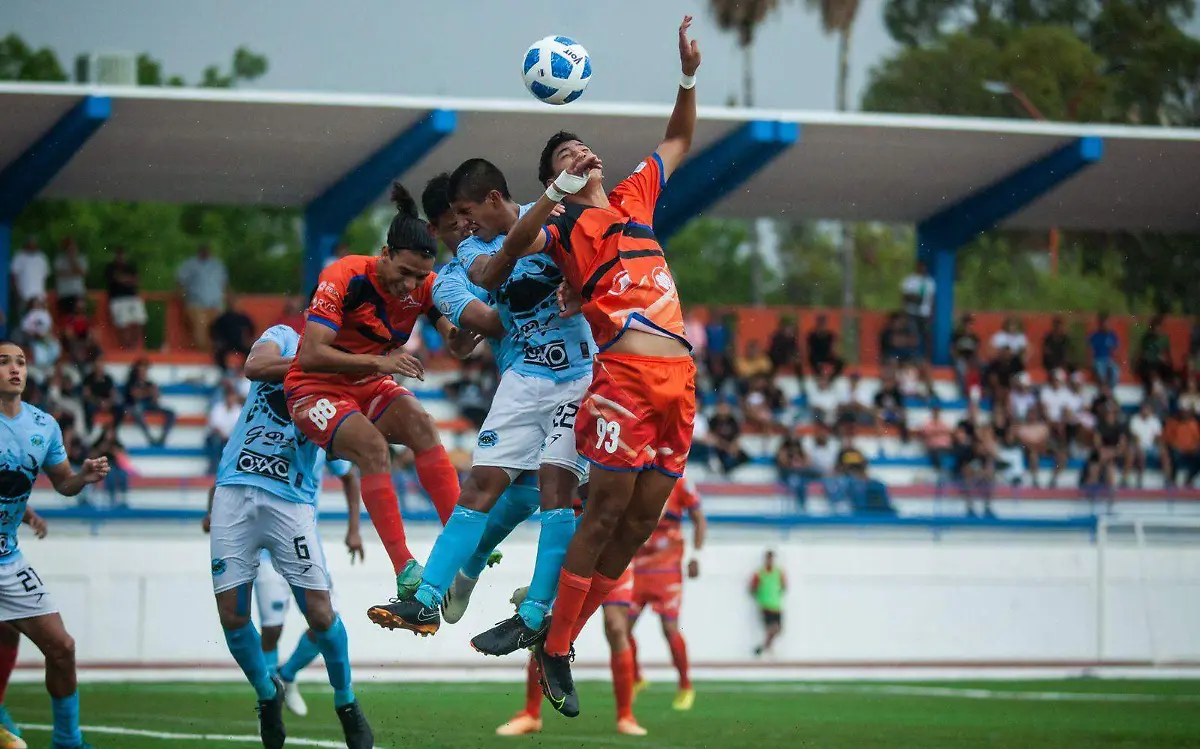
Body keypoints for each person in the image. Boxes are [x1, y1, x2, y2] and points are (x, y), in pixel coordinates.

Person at [469, 16, 700, 718]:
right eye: (566, 152)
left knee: (638, 527)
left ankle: (550, 636)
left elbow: (681, 138)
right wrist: (555, 192)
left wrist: (687, 76)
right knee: (601, 515)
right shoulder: (560, 227)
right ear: (557, 178)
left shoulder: (634, 198)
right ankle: (559, 643)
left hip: (680, 383)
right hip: (624, 380)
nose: (582, 153)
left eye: (582, 146)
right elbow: (506, 249)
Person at [371, 158, 597, 652]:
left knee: (554, 492)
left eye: (467, 215)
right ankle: (430, 597)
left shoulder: (552, 227)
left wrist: (579, 286)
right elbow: (488, 321)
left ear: (491, 201)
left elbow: (597, 265)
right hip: (522, 377)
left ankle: (530, 600)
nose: (464, 228)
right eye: (455, 222)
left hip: (580, 375)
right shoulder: (455, 273)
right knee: (492, 486)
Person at [285, 183, 481, 599]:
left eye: (420, 277)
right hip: (313, 388)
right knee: (375, 449)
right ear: (386, 253)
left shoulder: (426, 287)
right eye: (404, 272)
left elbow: (455, 340)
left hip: (367, 383)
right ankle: (404, 568)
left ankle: (462, 540)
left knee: (424, 426)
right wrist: (380, 362)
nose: (411, 286)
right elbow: (311, 356)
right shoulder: (344, 275)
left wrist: (475, 332)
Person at [205, 323, 372, 749]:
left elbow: (349, 459)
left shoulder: (346, 378)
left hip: (291, 503)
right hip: (235, 489)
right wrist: (313, 365)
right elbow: (253, 365)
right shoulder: (283, 337)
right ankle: (268, 693)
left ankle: (346, 702)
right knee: (233, 617)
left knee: (320, 614)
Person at [0, 340, 110, 749]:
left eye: (21, 362)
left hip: (7, 557)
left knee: (61, 647)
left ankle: (68, 741)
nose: (15, 369)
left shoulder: (43, 425)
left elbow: (62, 482)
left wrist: (82, 476)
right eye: (3, 362)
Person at [628, 475, 705, 711]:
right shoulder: (633, 477)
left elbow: (699, 519)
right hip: (636, 566)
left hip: (667, 567)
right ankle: (636, 678)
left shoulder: (681, 481)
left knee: (669, 627)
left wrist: (696, 556)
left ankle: (685, 686)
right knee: (620, 626)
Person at [176, 245, 228, 351]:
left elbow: (224, 284)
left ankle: (216, 353)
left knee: (217, 329)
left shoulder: (217, 265)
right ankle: (202, 353)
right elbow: (180, 281)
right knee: (200, 327)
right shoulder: (190, 264)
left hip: (215, 303)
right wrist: (182, 298)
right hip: (196, 303)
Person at [124, 358, 177, 447]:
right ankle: (149, 437)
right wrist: (149, 392)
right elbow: (136, 395)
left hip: (149, 405)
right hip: (138, 406)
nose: (144, 371)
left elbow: (155, 398)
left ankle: (163, 438)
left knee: (171, 413)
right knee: (137, 409)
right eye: (142, 368)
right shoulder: (131, 382)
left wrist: (153, 394)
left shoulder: (149, 383)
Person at [104, 247, 147, 350]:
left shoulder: (131, 266)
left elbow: (136, 280)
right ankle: (126, 347)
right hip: (117, 299)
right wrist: (128, 279)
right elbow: (118, 279)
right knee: (123, 323)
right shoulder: (111, 267)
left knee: (140, 320)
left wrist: (124, 279)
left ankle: (134, 345)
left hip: (132, 297)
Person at [750, 550, 786, 657]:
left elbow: (784, 586)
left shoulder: (778, 572)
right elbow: (753, 588)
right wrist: (760, 597)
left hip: (776, 605)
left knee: (778, 629)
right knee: (771, 628)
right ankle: (766, 648)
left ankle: (763, 648)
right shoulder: (760, 573)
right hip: (765, 606)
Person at [210, 297, 257, 373]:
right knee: (218, 353)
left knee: (251, 352)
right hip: (226, 343)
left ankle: (243, 370)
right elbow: (214, 330)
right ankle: (224, 371)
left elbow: (252, 330)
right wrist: (218, 341)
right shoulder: (223, 318)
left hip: (240, 342)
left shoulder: (244, 318)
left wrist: (249, 340)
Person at [1126, 401, 1166, 489]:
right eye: (1144, 409)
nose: (1145, 411)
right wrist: (1140, 446)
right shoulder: (1135, 419)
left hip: (1152, 447)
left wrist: (1161, 446)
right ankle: (1139, 480)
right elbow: (1135, 437)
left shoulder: (1155, 420)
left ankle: (1168, 479)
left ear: (1151, 410)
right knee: (1141, 453)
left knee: (1164, 453)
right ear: (1141, 410)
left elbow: (1158, 437)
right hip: (1138, 446)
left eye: (1148, 409)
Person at [9, 238, 49, 317]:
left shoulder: (42, 257)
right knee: (25, 320)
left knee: (39, 320)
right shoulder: (19, 256)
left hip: (39, 296)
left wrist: (44, 295)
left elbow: (45, 278)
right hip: (24, 296)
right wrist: (17, 294)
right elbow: (13, 277)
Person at [53, 238, 88, 316]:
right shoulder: (59, 259)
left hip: (78, 293)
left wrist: (73, 260)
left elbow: (82, 273)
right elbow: (59, 274)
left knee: (79, 317)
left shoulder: (81, 258)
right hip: (64, 293)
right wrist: (74, 272)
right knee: (67, 317)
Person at [1089, 313, 1121, 389]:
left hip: (1109, 360)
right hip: (1098, 359)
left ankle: (1111, 390)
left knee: (1115, 370)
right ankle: (1102, 389)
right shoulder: (1095, 335)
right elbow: (1090, 349)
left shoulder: (1112, 335)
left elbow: (1116, 350)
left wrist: (1115, 358)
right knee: (1100, 371)